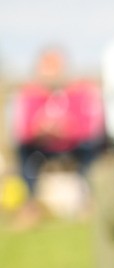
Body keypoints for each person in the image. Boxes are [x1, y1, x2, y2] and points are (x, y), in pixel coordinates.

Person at [11, 47, 105, 227]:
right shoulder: (30, 94)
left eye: (55, 67)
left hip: (75, 146)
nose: (51, 73)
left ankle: (89, 202)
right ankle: (30, 205)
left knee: (92, 149)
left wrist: (67, 129)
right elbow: (23, 130)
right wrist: (41, 130)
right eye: (46, 67)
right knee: (23, 153)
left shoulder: (80, 91)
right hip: (42, 147)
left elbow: (91, 127)